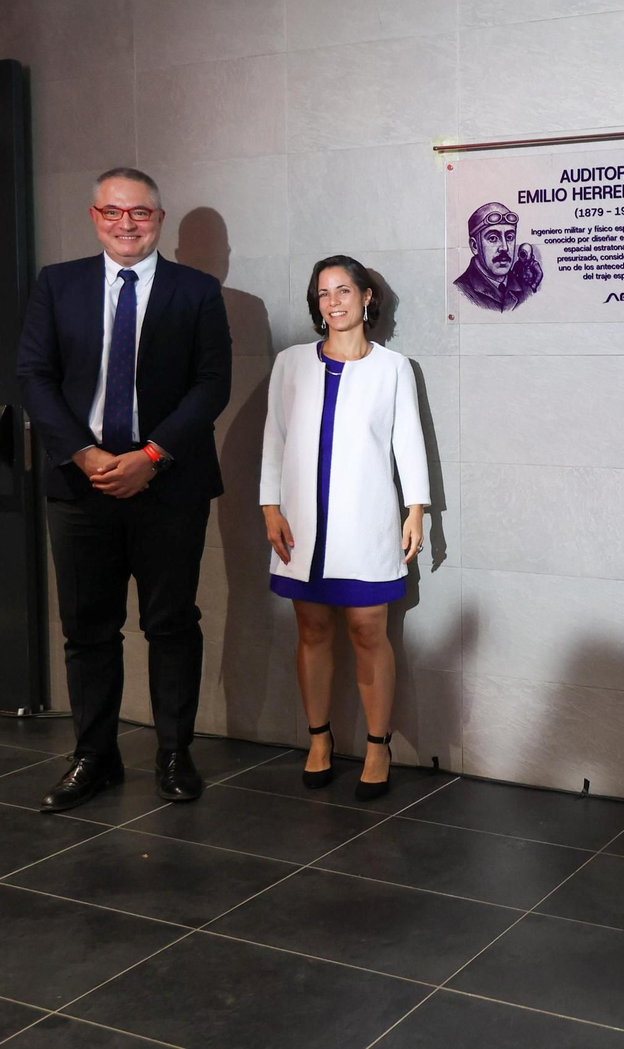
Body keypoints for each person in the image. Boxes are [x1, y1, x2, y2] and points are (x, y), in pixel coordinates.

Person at [17, 167, 232, 811]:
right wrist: (82, 454)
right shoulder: (58, 285)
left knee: (170, 624)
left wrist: (152, 456)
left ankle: (173, 754)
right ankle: (94, 757)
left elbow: (211, 383)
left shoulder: (196, 290)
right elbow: (34, 376)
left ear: (159, 221)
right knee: (87, 628)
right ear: (94, 217)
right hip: (79, 489)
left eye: (139, 213)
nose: (126, 223)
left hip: (169, 486)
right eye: (113, 212)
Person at [259, 256, 429, 802]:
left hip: (365, 519)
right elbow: (274, 439)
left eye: (343, 290)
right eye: (323, 293)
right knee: (311, 630)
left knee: (367, 630)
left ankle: (377, 746)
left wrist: (417, 509)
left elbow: (409, 441)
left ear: (367, 297)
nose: (333, 301)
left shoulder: (393, 368)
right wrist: (269, 506)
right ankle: (319, 741)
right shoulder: (290, 363)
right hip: (300, 524)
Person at [453, 201, 542, 312]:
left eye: (509, 237)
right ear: (475, 246)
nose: (504, 247)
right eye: (493, 238)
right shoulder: (460, 291)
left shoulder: (525, 289)